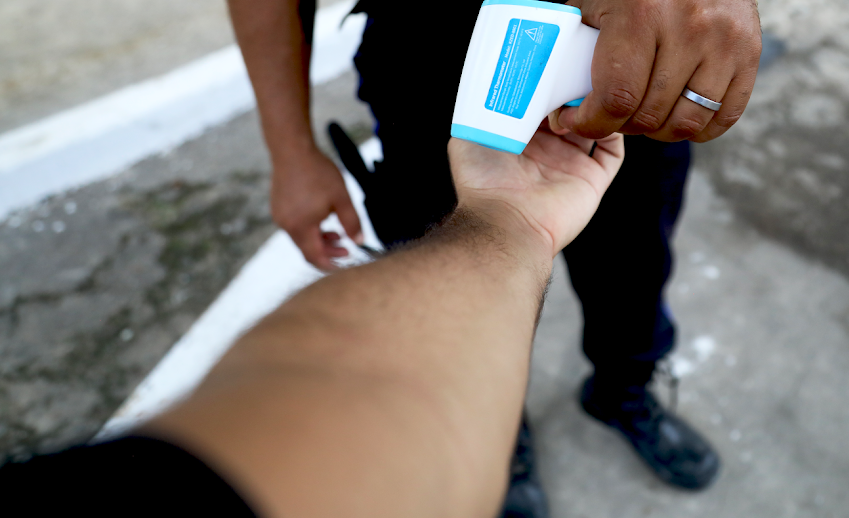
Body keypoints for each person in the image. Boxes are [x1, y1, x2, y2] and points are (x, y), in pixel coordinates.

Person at [167, 0, 819, 515]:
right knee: (445, 268)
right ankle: (499, 431)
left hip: (629, 61)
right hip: (429, 80)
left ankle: (626, 382)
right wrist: (290, 150)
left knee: (634, 258)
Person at [0, 128, 625, 517]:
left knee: (632, 274)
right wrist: (290, 144)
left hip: (612, 114)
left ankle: (628, 386)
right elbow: (348, 383)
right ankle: (509, 439)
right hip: (428, 67)